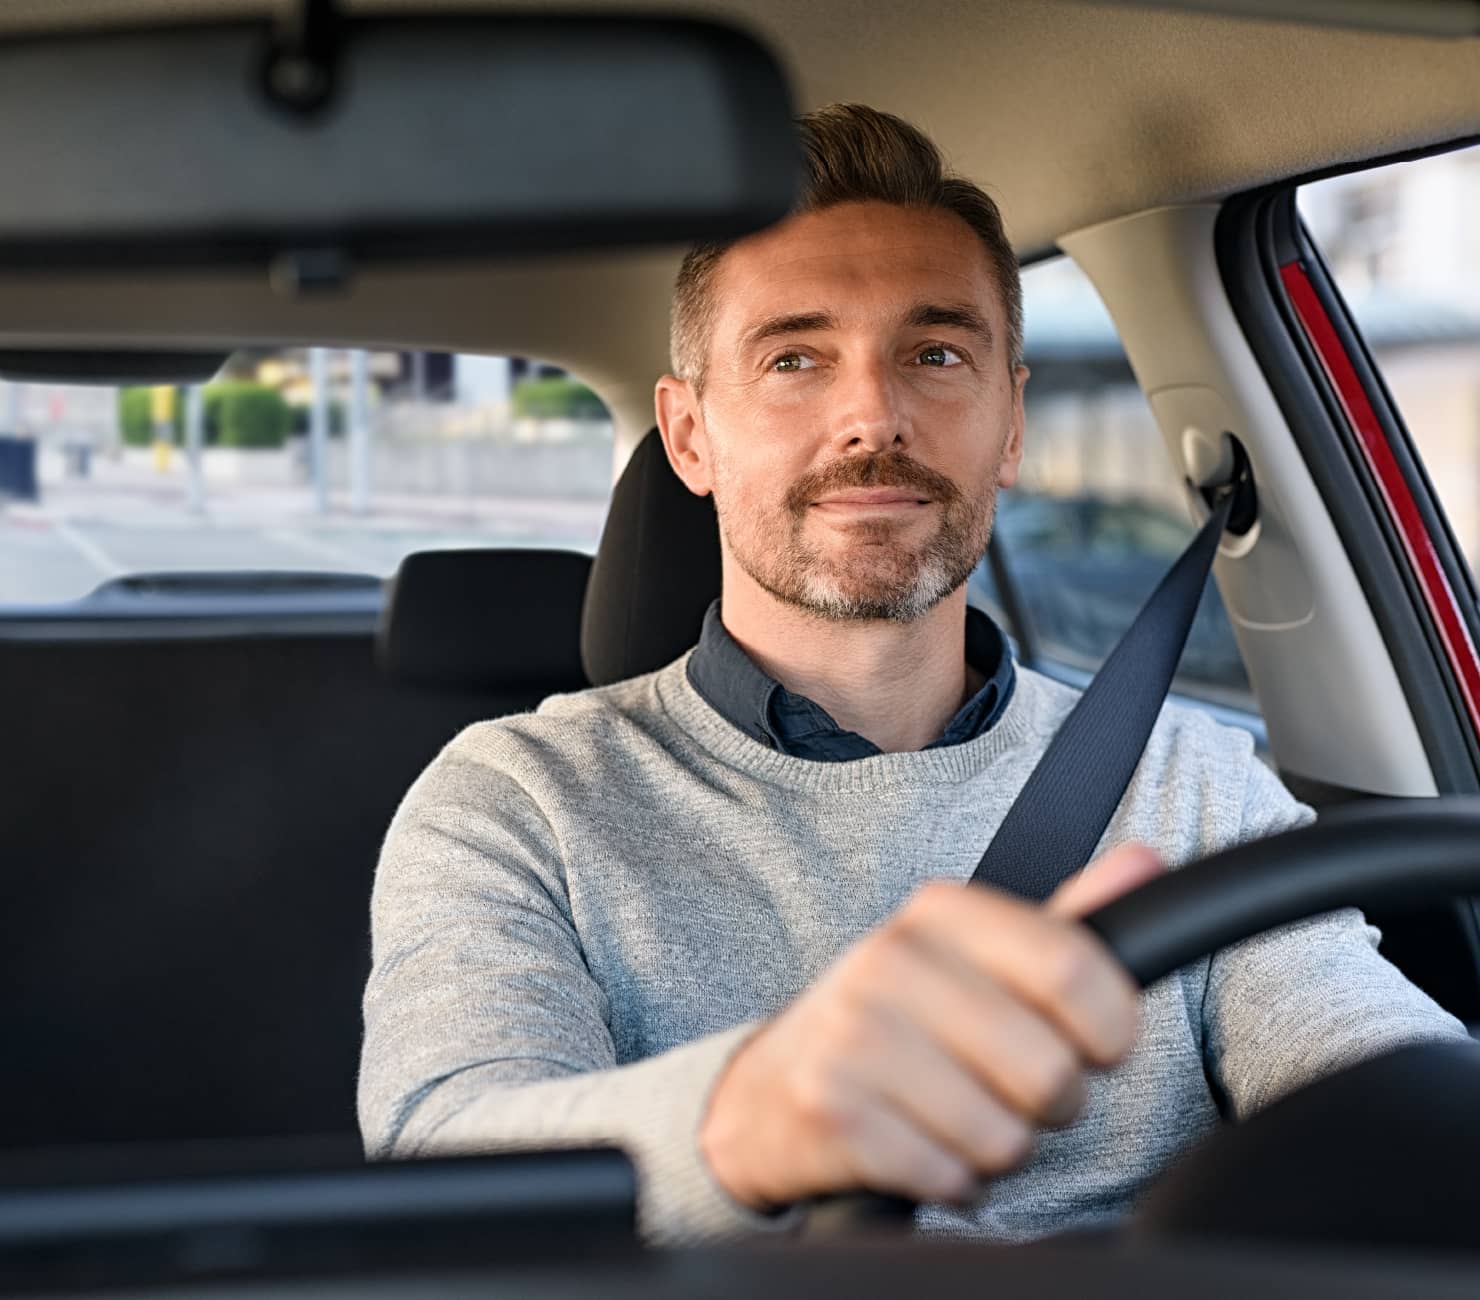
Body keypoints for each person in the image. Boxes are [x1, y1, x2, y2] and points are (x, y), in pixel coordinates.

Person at [358, 104, 1464, 1245]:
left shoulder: (1194, 781)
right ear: (690, 437)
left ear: (1010, 421)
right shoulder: (515, 796)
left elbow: (1381, 1080)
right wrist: (754, 1114)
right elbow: (445, 1151)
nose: (871, 416)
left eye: (934, 354)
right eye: (794, 358)